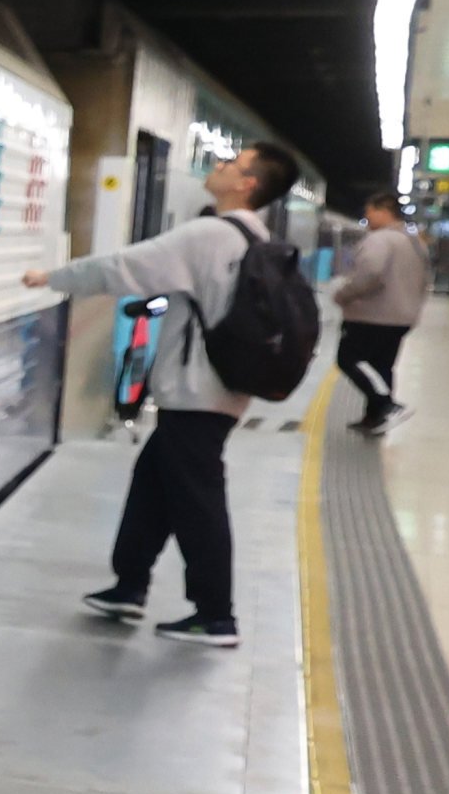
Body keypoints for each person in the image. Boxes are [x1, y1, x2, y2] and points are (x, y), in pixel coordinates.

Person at [17, 141, 303, 648]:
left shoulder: (211, 234)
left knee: (198, 501)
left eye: (231, 164)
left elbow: (124, 267)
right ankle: (128, 586)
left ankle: (216, 615)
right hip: (213, 389)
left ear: (247, 185)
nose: (218, 166)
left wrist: (52, 277)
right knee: (153, 485)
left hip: (198, 392)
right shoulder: (256, 235)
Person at [329, 191, 427, 435]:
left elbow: (370, 274)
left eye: (369, 211)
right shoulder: (415, 242)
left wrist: (344, 295)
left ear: (383, 211)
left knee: (349, 359)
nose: (366, 217)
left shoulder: (380, 240)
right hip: (402, 315)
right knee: (382, 365)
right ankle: (374, 419)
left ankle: (386, 406)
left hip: (372, 315)